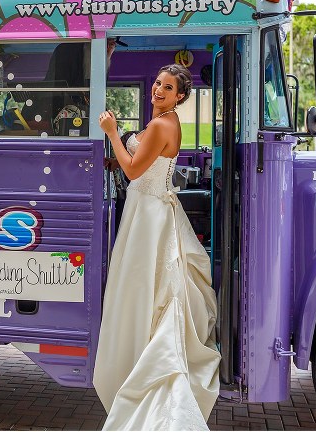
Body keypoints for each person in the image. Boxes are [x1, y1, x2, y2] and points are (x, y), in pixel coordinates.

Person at [94, 64, 221, 430]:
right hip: (151, 207)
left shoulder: (162, 124)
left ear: (180, 96)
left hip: (147, 212)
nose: (158, 90)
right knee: (154, 286)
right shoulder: (166, 123)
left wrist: (112, 133)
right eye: (157, 83)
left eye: (168, 88)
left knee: (144, 286)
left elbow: (133, 170)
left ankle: (142, 363)